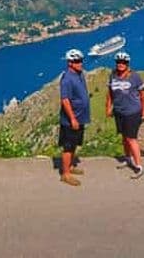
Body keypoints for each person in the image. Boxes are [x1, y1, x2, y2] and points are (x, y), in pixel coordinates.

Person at [105, 51, 144, 179]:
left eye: (123, 62)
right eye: (118, 62)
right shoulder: (112, 75)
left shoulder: (135, 77)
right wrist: (108, 107)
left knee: (131, 138)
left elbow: (143, 95)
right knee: (124, 137)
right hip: (119, 111)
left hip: (132, 112)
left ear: (127, 64)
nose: (120, 64)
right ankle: (127, 158)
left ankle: (139, 166)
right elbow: (109, 94)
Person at [59, 48, 90, 186]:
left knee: (75, 144)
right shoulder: (67, 79)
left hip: (80, 117)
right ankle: (65, 174)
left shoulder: (79, 74)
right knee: (68, 146)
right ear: (70, 63)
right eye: (76, 61)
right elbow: (65, 100)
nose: (80, 63)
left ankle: (70, 166)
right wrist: (72, 118)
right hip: (71, 119)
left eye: (81, 60)